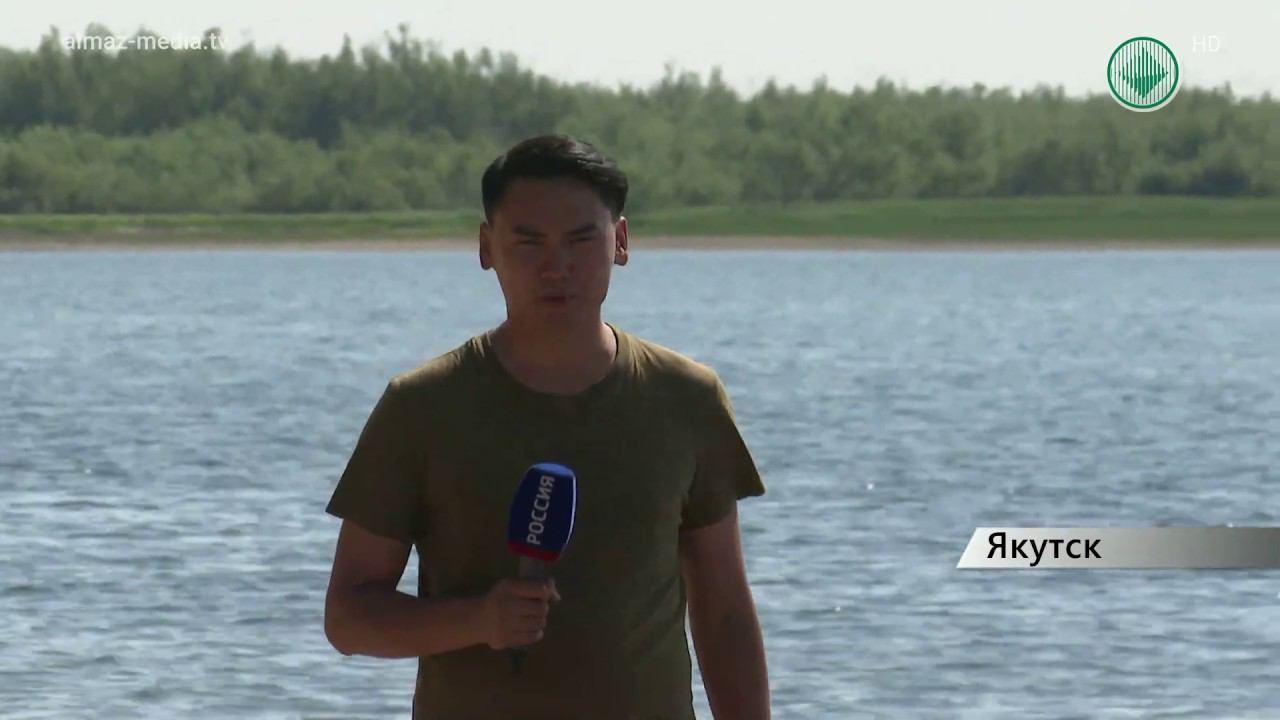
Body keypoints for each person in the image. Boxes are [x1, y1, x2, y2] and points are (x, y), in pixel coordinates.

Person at [322, 134, 770, 719]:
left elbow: (725, 610)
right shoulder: (422, 407)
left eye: (581, 239)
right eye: (529, 242)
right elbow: (349, 617)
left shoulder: (686, 398)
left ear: (621, 242)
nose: (556, 267)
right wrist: (477, 620)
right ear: (487, 247)